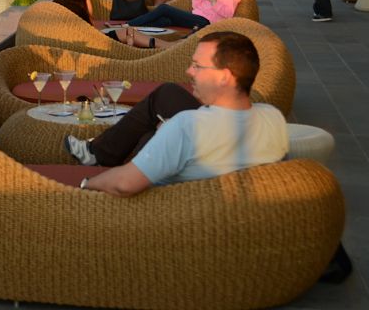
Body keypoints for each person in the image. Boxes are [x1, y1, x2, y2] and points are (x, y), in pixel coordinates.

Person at [65, 31, 288, 197]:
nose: (188, 72)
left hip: (158, 215)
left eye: (197, 66)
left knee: (156, 120)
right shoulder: (273, 118)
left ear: (224, 77)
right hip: (220, 212)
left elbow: (123, 184)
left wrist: (85, 184)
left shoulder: (187, 126)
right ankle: (100, 153)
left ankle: (97, 155)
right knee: (150, 130)